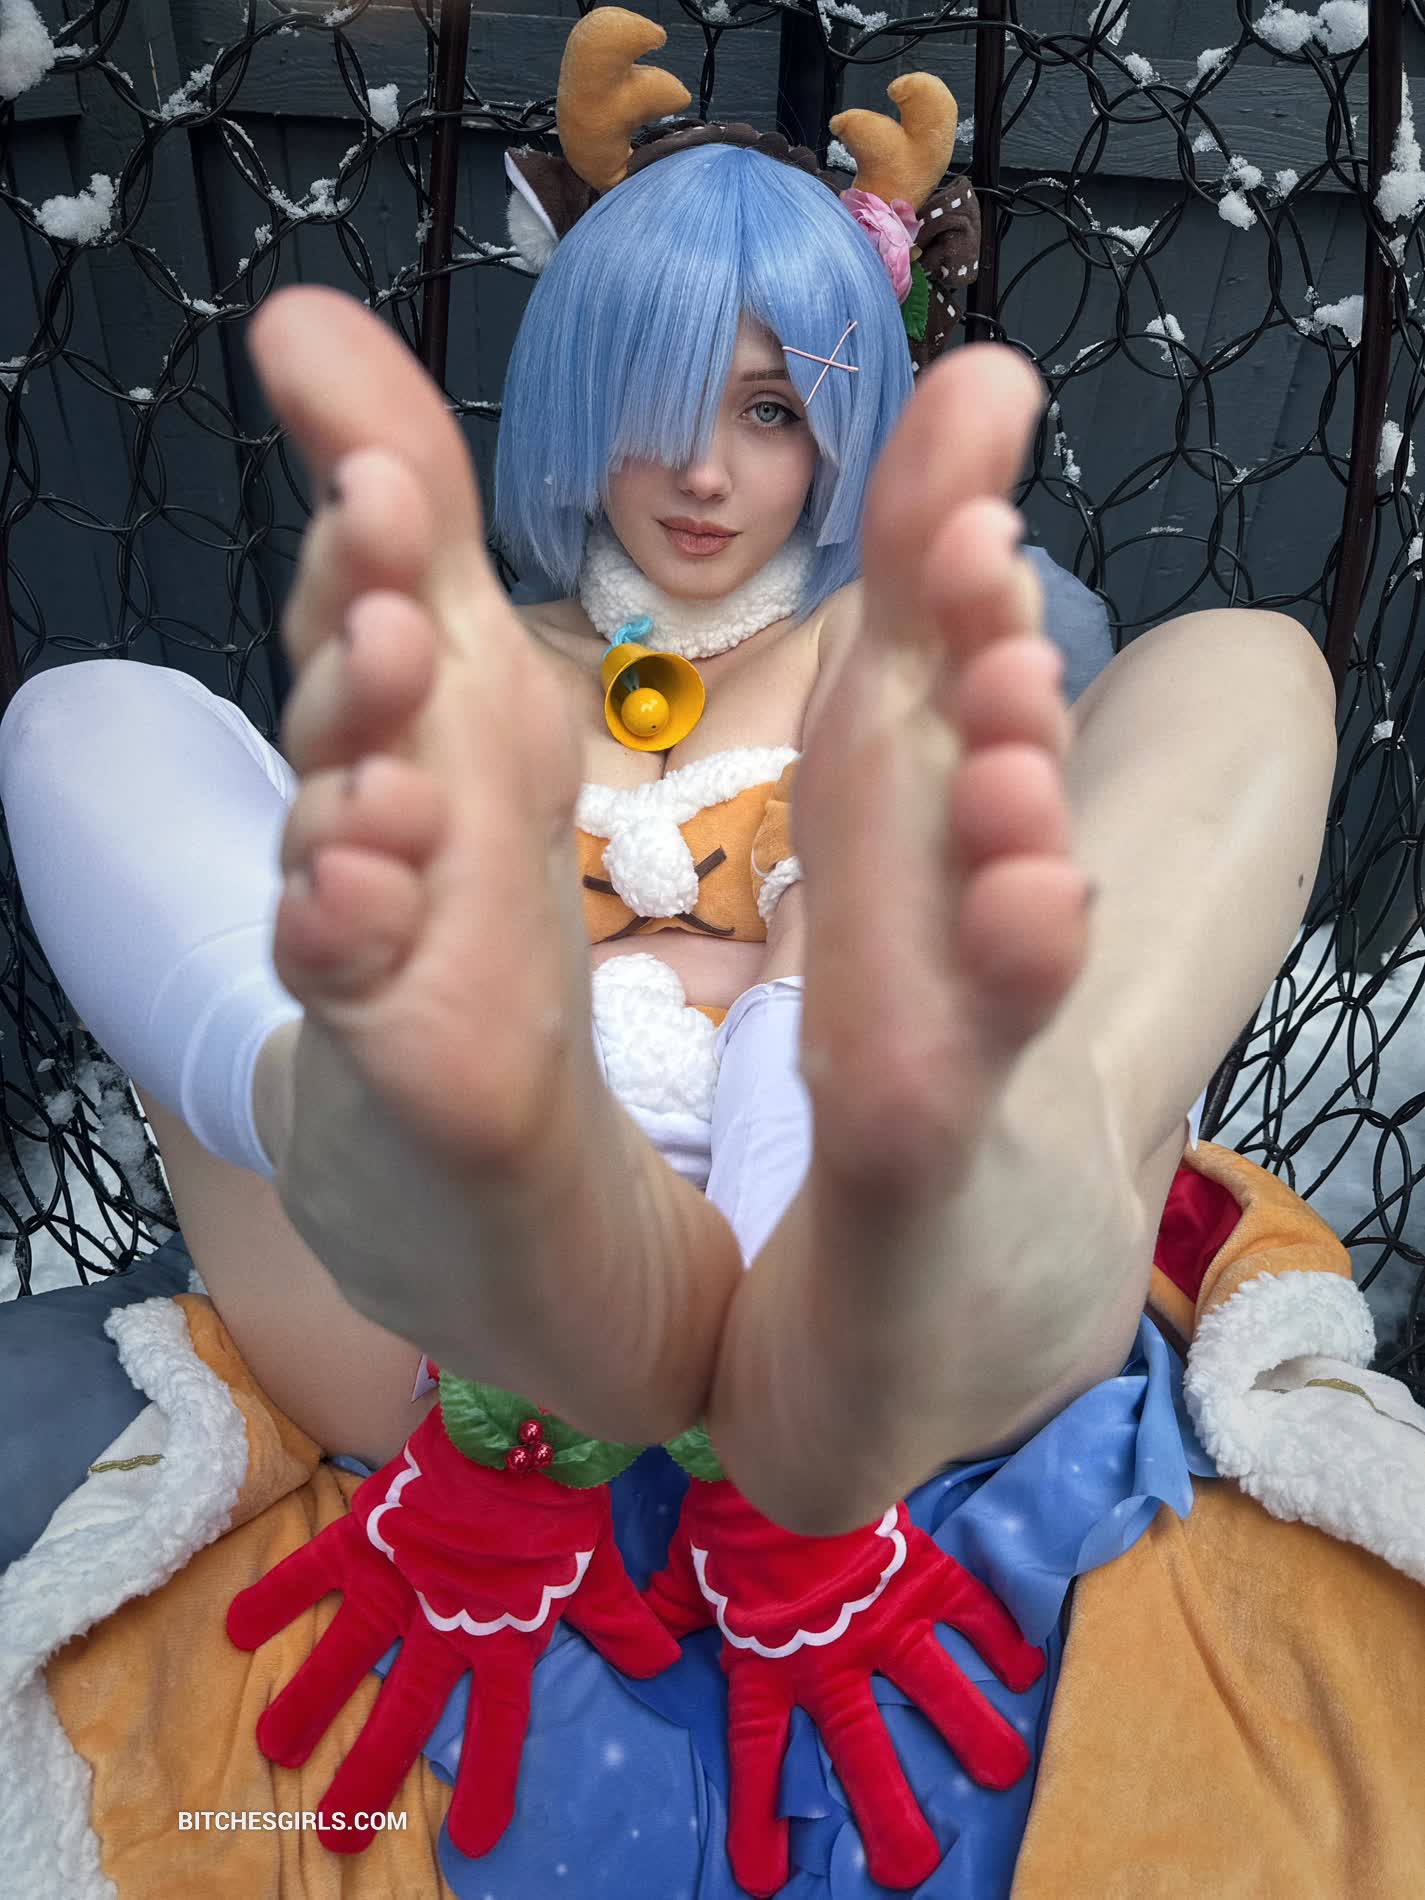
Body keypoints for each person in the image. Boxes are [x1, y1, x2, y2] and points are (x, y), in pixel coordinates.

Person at [0, 41, 1335, 1539]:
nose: (704, 472)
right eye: (662, 396)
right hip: (459, 1303)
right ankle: (329, 1115)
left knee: (1249, 660)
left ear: (841, 425)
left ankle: (1009, 1173)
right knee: (83, 717)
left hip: (891, 1278)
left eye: (770, 410)